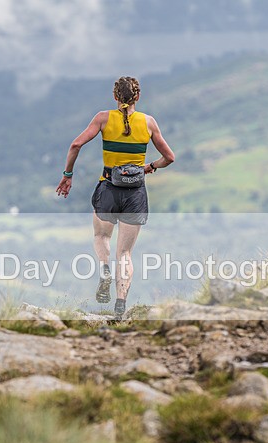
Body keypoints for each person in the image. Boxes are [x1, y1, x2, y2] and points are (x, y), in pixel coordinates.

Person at [56, 76, 175, 318]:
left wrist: (68, 174)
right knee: (125, 254)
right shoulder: (149, 122)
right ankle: (120, 305)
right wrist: (149, 167)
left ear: (114, 96)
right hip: (135, 193)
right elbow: (169, 157)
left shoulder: (103, 119)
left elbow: (76, 145)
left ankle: (104, 269)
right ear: (138, 97)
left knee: (101, 236)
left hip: (108, 188)